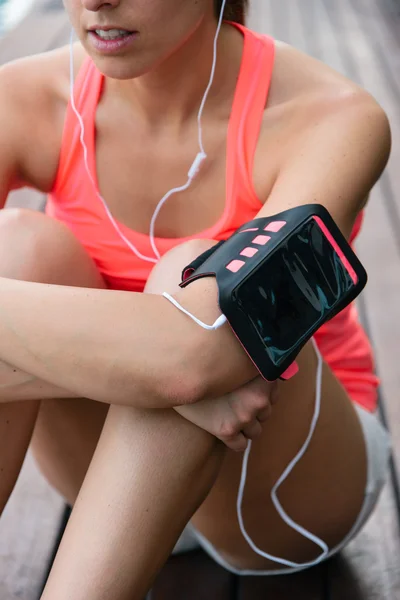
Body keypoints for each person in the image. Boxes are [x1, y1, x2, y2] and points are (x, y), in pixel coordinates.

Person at [0, 0, 393, 597]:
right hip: (103, 473)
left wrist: (172, 359)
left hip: (281, 493)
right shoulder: (23, 98)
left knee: (198, 286)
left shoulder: (330, 117)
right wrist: (158, 364)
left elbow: (206, 355)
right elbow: (180, 364)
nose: (96, 0)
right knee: (17, 249)